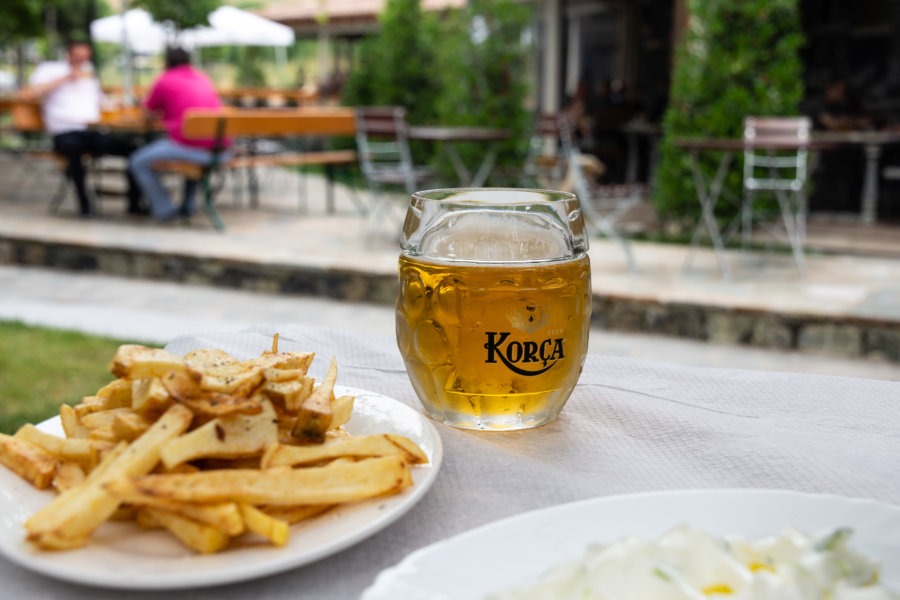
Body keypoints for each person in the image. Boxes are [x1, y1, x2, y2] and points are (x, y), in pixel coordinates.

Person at [21, 40, 142, 217]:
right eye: (78, 57)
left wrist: (116, 104)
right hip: (64, 131)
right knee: (74, 150)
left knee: (133, 150)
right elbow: (30, 93)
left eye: (85, 58)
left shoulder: (88, 73)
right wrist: (66, 77)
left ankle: (134, 204)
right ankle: (84, 205)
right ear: (68, 54)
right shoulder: (50, 69)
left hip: (90, 131)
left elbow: (101, 101)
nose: (81, 61)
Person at [129, 47, 230, 221]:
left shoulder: (164, 80)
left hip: (194, 149)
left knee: (137, 161)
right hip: (221, 151)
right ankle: (187, 206)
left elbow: (146, 114)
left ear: (167, 63)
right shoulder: (202, 77)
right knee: (189, 146)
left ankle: (164, 209)